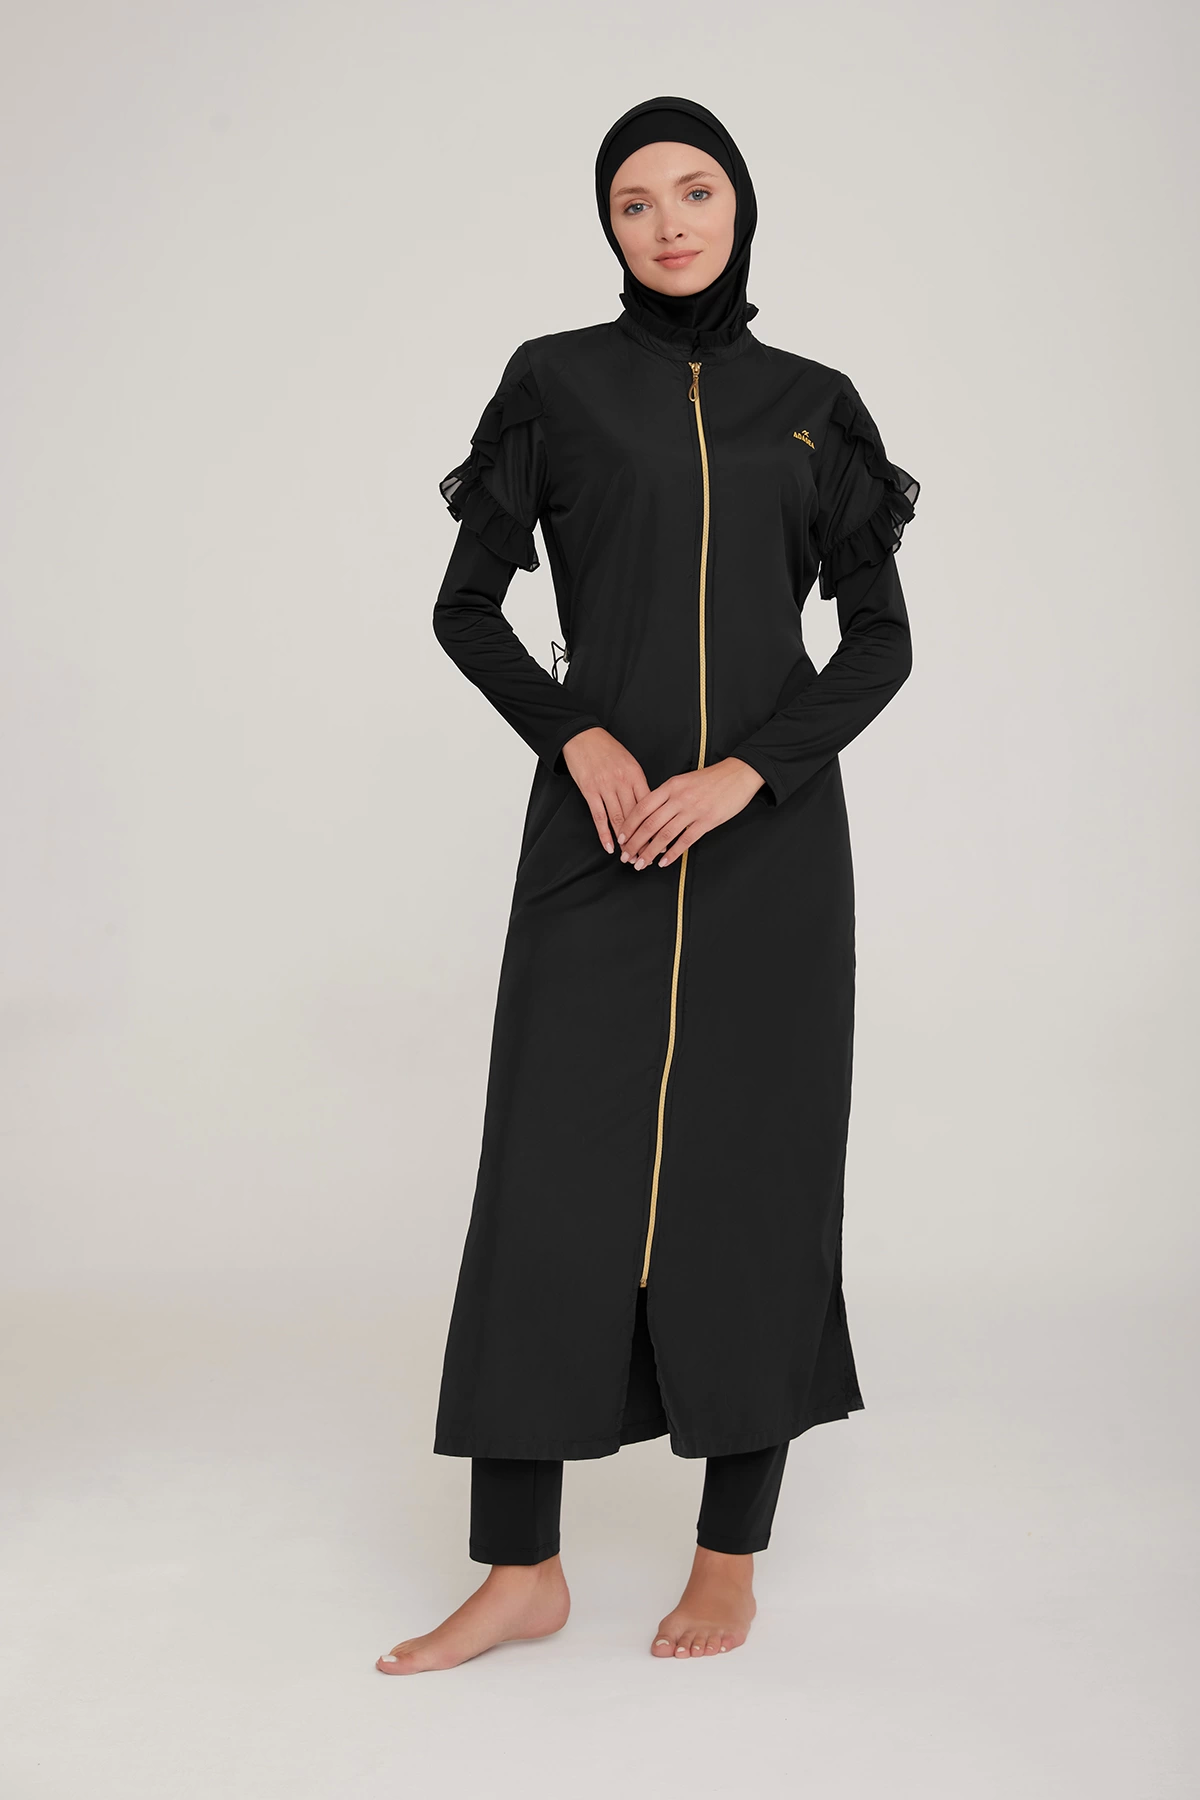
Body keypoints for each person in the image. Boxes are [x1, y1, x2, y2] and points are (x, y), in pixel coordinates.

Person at [377, 94, 918, 1674]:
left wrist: (751, 771)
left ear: (739, 206)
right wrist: (577, 735)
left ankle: (729, 1557)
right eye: (635, 201)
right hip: (597, 839)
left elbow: (880, 641)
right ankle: (521, 1570)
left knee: (754, 1181)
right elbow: (467, 606)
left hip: (767, 854)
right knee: (546, 1189)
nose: (670, 222)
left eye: (696, 191)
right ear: (606, 225)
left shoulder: (814, 406)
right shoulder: (556, 383)